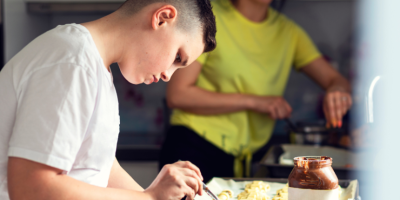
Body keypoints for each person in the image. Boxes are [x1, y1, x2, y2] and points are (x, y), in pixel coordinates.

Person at [0, 0, 216, 199]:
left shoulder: (93, 67)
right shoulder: (72, 61)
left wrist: (154, 195)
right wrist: (149, 197)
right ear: (162, 18)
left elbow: (102, 168)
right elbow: (30, 187)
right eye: (177, 57)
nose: (168, 75)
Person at [160, 0, 352, 182]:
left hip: (242, 161)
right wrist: (256, 102)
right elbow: (178, 95)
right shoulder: (209, 18)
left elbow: (338, 81)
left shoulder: (288, 32)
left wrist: (336, 90)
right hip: (192, 151)